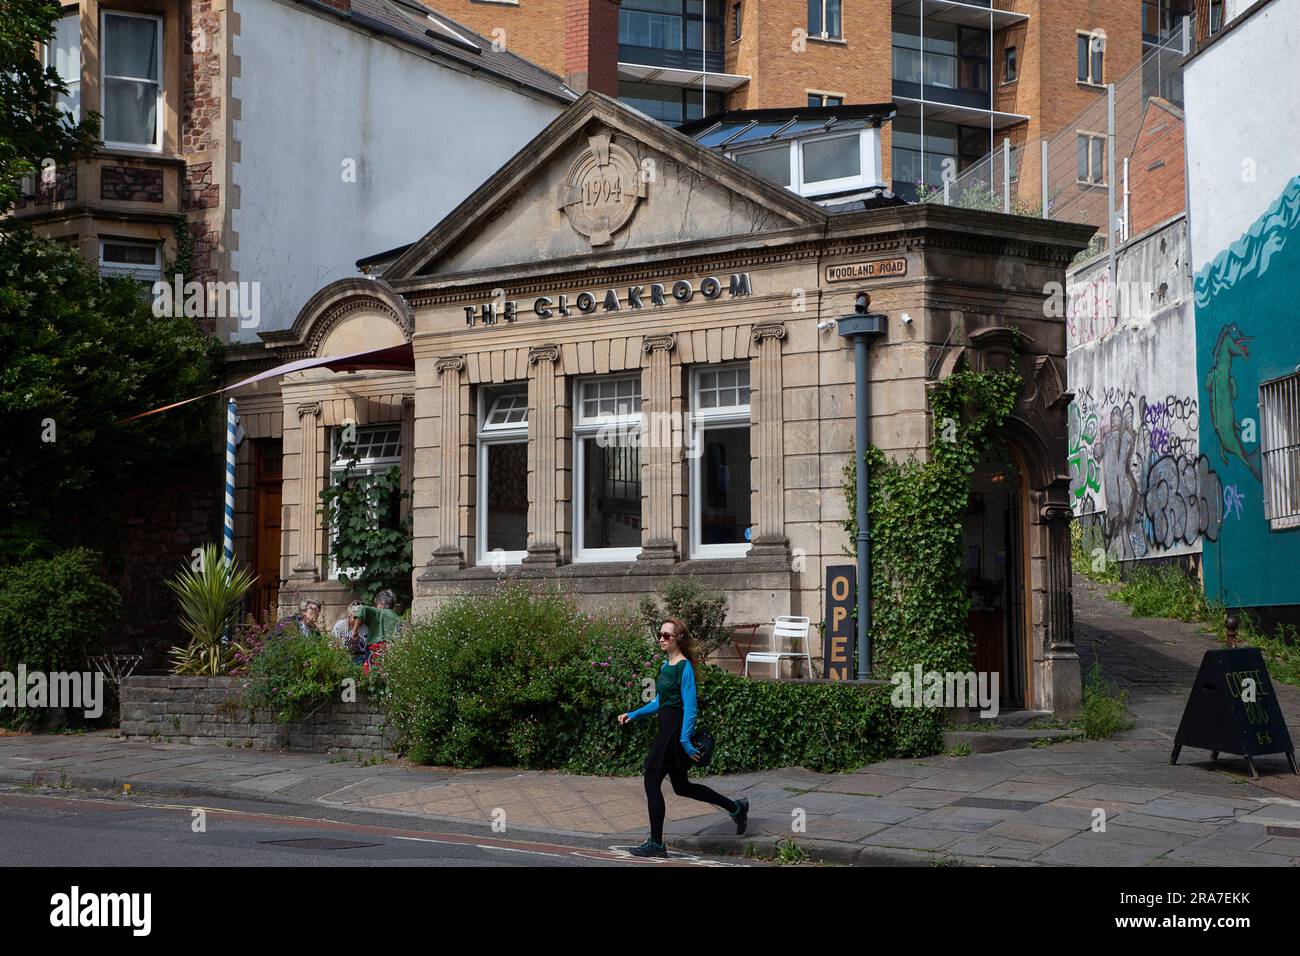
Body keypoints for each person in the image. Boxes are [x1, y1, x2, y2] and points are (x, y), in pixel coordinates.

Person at [618, 616, 748, 858]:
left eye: (667, 635)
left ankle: (656, 843)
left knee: (651, 781)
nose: (661, 639)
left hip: (674, 733)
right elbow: (660, 702)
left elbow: (690, 707)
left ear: (678, 639)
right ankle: (736, 807)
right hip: (668, 730)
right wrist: (633, 714)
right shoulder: (665, 667)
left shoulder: (684, 667)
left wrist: (685, 741)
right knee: (681, 786)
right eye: (659, 634)